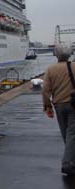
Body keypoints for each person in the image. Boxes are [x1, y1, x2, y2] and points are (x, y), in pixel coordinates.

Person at [42, 43, 75, 176]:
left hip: (59, 105)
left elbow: (45, 91)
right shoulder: (74, 66)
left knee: (65, 132)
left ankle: (71, 159)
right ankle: (67, 163)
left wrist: (47, 106)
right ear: (69, 54)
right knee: (72, 133)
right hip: (73, 104)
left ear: (56, 54)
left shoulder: (50, 69)